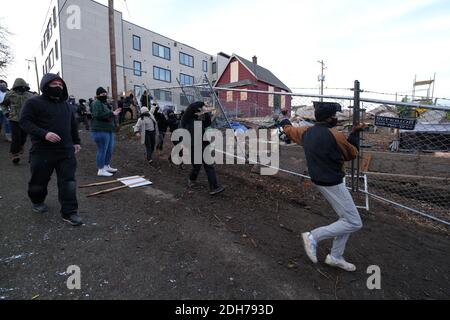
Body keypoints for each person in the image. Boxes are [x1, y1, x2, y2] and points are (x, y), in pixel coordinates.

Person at [282, 102, 366, 272]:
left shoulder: (305, 132)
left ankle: (335, 256)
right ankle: (313, 236)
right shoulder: (336, 135)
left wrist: (284, 120)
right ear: (329, 118)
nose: (336, 118)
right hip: (333, 182)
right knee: (354, 222)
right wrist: (355, 133)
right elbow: (352, 153)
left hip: (318, 178)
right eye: (335, 116)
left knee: (345, 219)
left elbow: (289, 130)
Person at [19, 73, 83, 226]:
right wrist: (44, 134)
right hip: (42, 151)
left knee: (68, 182)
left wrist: (76, 142)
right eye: (54, 84)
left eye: (61, 84)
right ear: (45, 85)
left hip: (66, 151)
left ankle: (69, 212)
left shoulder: (66, 106)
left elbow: (72, 125)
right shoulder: (33, 103)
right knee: (38, 181)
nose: (58, 87)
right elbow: (25, 122)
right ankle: (37, 200)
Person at [181, 101, 225, 196]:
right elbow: (191, 107)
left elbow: (207, 124)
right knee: (196, 167)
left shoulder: (200, 118)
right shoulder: (188, 120)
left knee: (209, 166)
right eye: (201, 108)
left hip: (204, 143)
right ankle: (191, 179)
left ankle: (214, 187)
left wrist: (206, 113)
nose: (203, 108)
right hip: (194, 145)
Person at [1, 78, 34, 164]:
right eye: (20, 87)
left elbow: (35, 106)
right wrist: (6, 113)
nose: (22, 88)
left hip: (26, 119)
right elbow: (4, 105)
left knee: (23, 137)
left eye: (23, 87)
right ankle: (14, 154)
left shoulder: (30, 95)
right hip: (14, 119)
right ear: (16, 87)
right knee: (16, 137)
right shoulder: (10, 94)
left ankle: (21, 146)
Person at [91, 87, 121, 177]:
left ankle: (106, 166)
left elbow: (108, 115)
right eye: (102, 94)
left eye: (105, 94)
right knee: (102, 150)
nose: (104, 95)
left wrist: (113, 114)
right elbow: (97, 115)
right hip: (100, 130)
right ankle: (100, 169)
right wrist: (112, 113)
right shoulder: (96, 103)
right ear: (97, 95)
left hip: (108, 130)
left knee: (109, 149)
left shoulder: (104, 103)